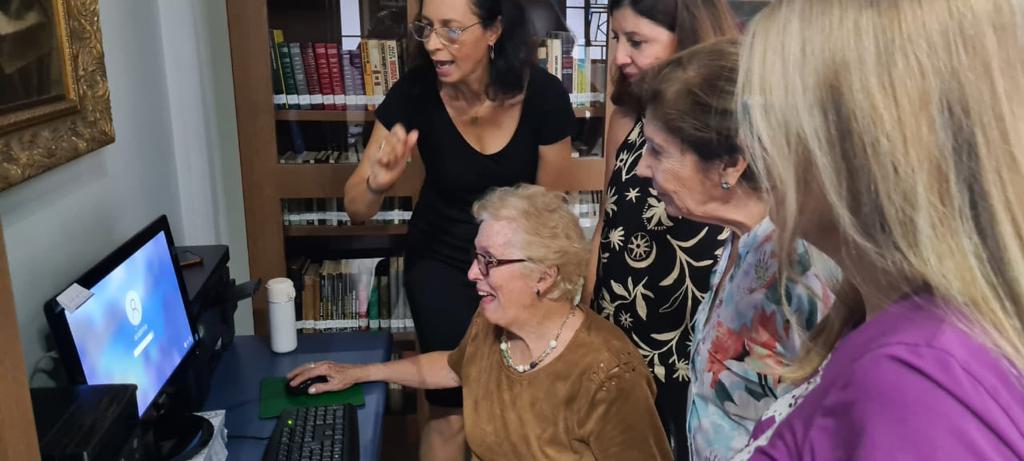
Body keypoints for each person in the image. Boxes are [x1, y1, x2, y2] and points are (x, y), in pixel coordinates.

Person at [730, 0, 1024, 458]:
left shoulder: (919, 383)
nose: (749, 141)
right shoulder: (897, 328)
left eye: (763, 111)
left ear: (859, 138)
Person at [341, 0, 576, 457]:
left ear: (493, 31)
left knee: (520, 404)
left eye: (451, 30)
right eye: (427, 28)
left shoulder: (543, 95)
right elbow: (356, 208)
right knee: (451, 413)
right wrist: (377, 181)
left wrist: (546, 290)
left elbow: (553, 213)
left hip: (518, 267)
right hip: (442, 262)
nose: (432, 43)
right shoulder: (415, 92)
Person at [292, 184, 673, 460]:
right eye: (476, 257)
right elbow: (457, 367)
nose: (473, 273)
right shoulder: (491, 322)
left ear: (544, 276)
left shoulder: (609, 374)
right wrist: (361, 373)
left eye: (489, 260)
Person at [633, 38, 836, 460]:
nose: (641, 168)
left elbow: (837, 417)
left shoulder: (801, 265)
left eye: (658, 150)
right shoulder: (736, 242)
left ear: (730, 163)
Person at [580, 0, 738, 456]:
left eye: (637, 42)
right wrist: (590, 313)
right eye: (614, 39)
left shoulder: (724, 128)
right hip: (622, 323)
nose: (619, 57)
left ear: (686, 39)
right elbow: (608, 220)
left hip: (693, 333)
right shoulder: (624, 119)